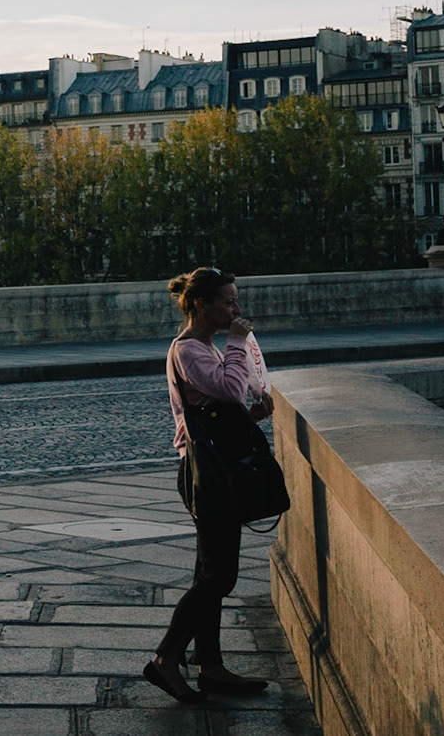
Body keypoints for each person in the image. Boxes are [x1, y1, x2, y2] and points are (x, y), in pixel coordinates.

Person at [144, 267, 276, 705]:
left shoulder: (201, 347)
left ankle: (210, 665)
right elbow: (228, 388)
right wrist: (237, 342)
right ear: (202, 304)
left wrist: (252, 417)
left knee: (211, 572)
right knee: (219, 576)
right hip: (205, 472)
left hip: (211, 464)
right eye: (229, 301)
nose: (237, 309)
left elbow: (219, 407)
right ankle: (165, 659)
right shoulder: (189, 351)